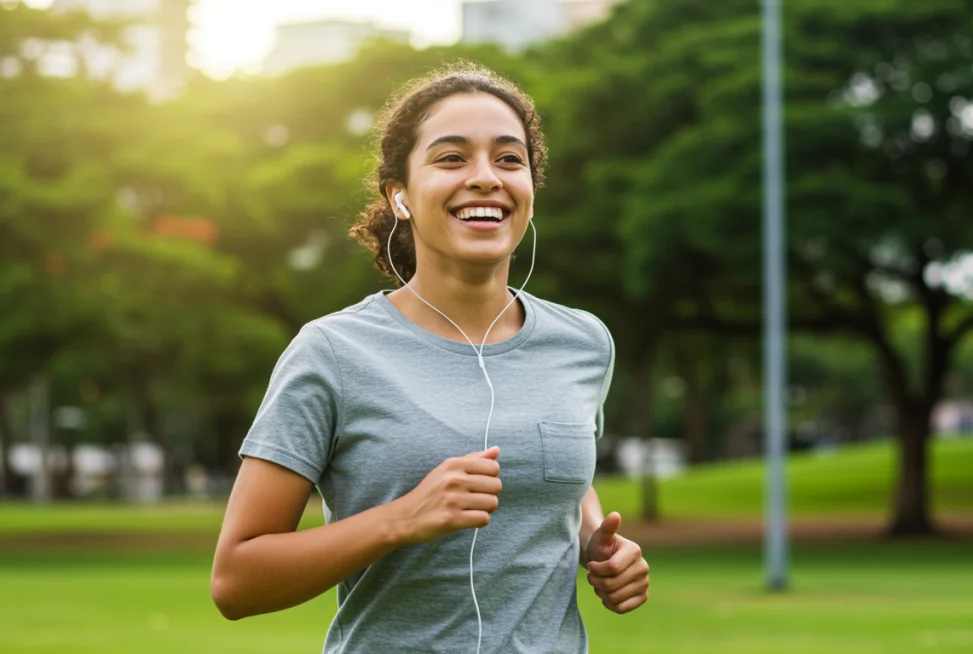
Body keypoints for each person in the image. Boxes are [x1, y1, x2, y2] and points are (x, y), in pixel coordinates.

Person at [210, 61, 650, 653]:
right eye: (451, 158)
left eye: (508, 158)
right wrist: (401, 518)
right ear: (400, 197)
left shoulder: (583, 342)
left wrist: (596, 541)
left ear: (530, 191)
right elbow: (235, 582)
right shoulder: (334, 352)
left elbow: (556, 465)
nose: (485, 178)